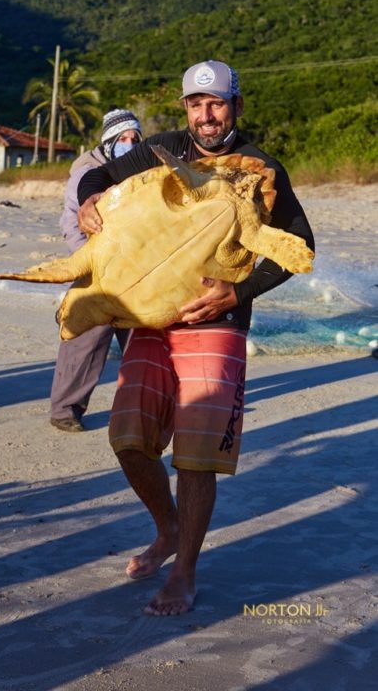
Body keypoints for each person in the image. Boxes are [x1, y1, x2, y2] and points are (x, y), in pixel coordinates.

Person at [77, 60, 314, 615]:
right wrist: (89, 201)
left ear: (236, 104)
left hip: (218, 322)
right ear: (185, 107)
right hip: (153, 319)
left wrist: (238, 294)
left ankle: (183, 570)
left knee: (196, 458)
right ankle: (168, 529)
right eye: (195, 104)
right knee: (129, 440)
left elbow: (297, 245)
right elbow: (97, 172)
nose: (206, 116)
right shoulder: (162, 148)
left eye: (217, 104)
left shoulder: (261, 168)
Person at [50, 107, 142, 432]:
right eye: (123, 138)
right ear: (109, 141)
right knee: (86, 339)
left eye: (134, 138)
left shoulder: (140, 170)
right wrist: (91, 259)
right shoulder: (86, 172)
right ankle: (65, 410)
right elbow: (70, 221)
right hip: (96, 268)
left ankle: (141, 406)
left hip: (135, 269)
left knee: (141, 339)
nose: (129, 144)